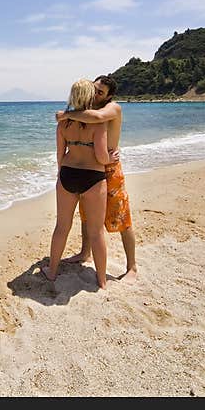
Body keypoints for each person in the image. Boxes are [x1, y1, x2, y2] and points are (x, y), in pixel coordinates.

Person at [55, 75, 138, 283]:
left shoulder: (112, 109)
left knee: (121, 216)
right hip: (92, 169)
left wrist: (66, 113)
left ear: (109, 96)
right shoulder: (85, 113)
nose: (95, 94)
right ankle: (85, 253)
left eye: (100, 92)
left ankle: (132, 266)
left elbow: (98, 119)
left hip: (109, 168)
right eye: (94, 89)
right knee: (86, 216)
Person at [41, 79, 111, 289]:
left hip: (68, 175)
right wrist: (111, 158)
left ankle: (52, 272)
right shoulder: (98, 123)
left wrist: (61, 175)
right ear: (90, 97)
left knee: (62, 227)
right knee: (96, 231)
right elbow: (101, 157)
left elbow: (60, 155)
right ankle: (101, 280)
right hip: (93, 177)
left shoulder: (63, 123)